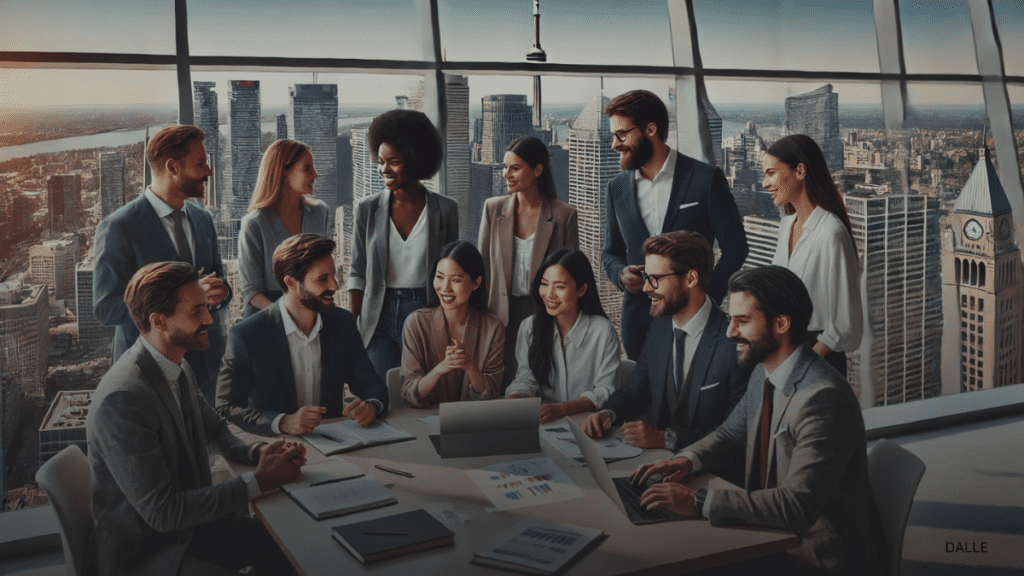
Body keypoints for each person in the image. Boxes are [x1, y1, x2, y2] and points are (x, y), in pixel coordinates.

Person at [631, 266, 886, 576]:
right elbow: (732, 435)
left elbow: (796, 506)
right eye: (730, 320)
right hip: (770, 537)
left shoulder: (822, 398)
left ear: (780, 324)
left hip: (814, 557)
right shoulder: (763, 372)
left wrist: (699, 501)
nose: (729, 333)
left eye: (742, 322)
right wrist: (686, 460)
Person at [86, 262, 303, 576]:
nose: (209, 319)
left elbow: (214, 428)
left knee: (292, 545)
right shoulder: (123, 399)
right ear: (158, 321)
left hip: (191, 532)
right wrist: (258, 482)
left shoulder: (174, 365)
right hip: (150, 556)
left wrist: (256, 452)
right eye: (196, 311)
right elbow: (163, 512)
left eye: (207, 308)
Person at [601, 90, 748, 361]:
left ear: (650, 129)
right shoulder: (616, 188)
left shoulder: (706, 179)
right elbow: (610, 253)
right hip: (639, 330)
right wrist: (622, 275)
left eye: (621, 134)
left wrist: (704, 296)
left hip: (696, 326)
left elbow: (736, 249)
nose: (614, 144)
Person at [93, 125, 231, 401]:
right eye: (200, 163)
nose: (209, 171)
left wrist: (222, 292)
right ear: (173, 167)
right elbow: (107, 308)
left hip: (205, 370)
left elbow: (220, 284)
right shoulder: (120, 227)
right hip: (147, 375)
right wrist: (178, 302)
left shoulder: (202, 220)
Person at [582, 232, 749, 453]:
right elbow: (635, 391)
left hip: (708, 471)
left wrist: (665, 439)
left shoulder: (735, 344)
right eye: (646, 277)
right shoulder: (660, 329)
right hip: (652, 462)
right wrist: (607, 413)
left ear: (691, 279)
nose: (645, 288)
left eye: (655, 279)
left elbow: (737, 433)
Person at [216, 234, 388, 435]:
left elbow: (371, 385)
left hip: (335, 442)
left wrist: (371, 406)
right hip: (276, 446)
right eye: (323, 278)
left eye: (333, 275)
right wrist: (282, 422)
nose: (334, 286)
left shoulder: (343, 323)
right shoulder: (247, 335)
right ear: (291, 282)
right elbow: (226, 408)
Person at [349, 109, 459, 383]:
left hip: (425, 311)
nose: (384, 169)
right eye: (381, 161)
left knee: (420, 394)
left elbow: (452, 276)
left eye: (394, 162)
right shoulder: (367, 209)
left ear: (414, 160)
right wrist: (351, 325)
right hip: (378, 315)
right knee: (379, 392)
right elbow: (357, 272)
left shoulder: (445, 209)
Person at [479, 136, 579, 390]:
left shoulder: (564, 215)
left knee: (542, 384)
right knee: (501, 386)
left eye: (515, 168)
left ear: (537, 170)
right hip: (501, 315)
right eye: (505, 167)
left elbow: (572, 276)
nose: (506, 175)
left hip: (545, 314)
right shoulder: (493, 209)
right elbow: (482, 270)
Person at [763, 134, 862, 376]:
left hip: (818, 363)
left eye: (771, 173)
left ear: (800, 170)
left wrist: (800, 364)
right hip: (785, 354)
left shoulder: (831, 233)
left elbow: (845, 325)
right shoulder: (786, 225)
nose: (765, 184)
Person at [506, 248, 618, 423]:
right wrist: (515, 398)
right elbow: (526, 379)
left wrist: (563, 409)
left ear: (582, 290)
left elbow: (604, 391)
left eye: (559, 286)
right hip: (544, 425)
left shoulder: (602, 331)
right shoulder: (529, 327)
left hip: (586, 424)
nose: (549, 294)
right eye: (544, 284)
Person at [401, 241, 504, 407]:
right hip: (427, 421)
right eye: (439, 277)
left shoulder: (493, 328)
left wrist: (470, 366)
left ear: (476, 283)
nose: (445, 288)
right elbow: (409, 392)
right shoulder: (416, 323)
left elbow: (491, 391)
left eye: (456, 280)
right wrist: (441, 368)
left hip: (474, 422)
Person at [238, 139, 330, 318]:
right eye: (307, 169)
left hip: (311, 315)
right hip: (266, 318)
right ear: (284, 173)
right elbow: (251, 291)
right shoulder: (254, 223)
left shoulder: (321, 213)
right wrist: (290, 317)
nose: (315, 175)